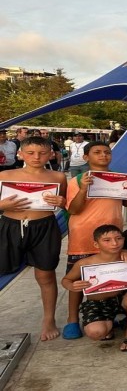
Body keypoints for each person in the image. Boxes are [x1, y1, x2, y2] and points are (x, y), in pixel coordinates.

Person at [62, 141, 127, 340]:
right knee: (79, 278)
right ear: (86, 157)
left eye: (107, 152)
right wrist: (83, 189)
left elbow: (126, 202)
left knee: (110, 275)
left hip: (111, 235)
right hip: (83, 235)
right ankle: (72, 320)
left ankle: (108, 313)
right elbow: (73, 209)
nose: (103, 155)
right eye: (97, 152)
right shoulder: (78, 180)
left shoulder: (119, 178)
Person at [0, 136, 67, 341]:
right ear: (20, 154)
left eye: (42, 153)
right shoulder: (5, 175)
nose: (36, 157)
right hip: (10, 225)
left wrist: (61, 201)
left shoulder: (58, 177)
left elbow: (65, 203)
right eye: (30, 153)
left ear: (51, 154)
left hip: (44, 227)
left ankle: (49, 319)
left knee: (46, 275)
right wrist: (3, 206)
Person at [61, 225, 127, 352]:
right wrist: (71, 285)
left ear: (123, 239)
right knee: (95, 332)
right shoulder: (84, 263)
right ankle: (111, 324)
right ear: (96, 244)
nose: (114, 243)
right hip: (98, 303)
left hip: (123, 300)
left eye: (118, 238)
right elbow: (66, 280)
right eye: (107, 240)